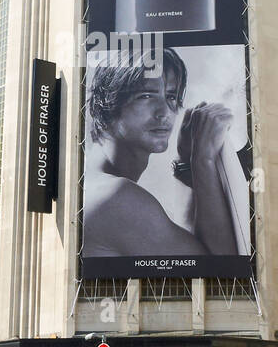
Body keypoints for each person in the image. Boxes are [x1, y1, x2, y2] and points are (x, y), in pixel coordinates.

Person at [82, 50, 237, 261]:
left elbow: (188, 244)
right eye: (146, 95)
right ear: (107, 102)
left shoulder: (94, 183)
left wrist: (187, 161)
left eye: (171, 96)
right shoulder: (115, 196)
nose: (164, 112)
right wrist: (203, 160)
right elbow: (220, 267)